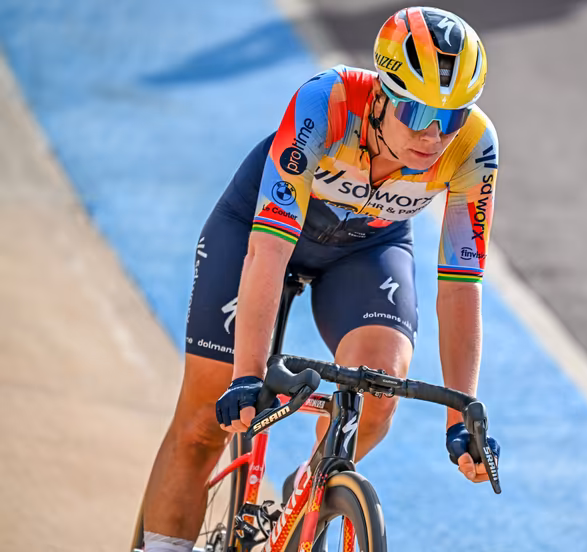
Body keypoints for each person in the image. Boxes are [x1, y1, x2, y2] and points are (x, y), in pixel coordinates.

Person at [141, 6, 501, 551]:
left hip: (367, 247)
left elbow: (460, 283)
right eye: (416, 110)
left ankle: (308, 494)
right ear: (381, 92)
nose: (433, 135)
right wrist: (246, 376)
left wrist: (461, 416)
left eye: (450, 117)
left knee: (379, 388)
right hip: (259, 231)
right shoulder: (325, 104)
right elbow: (266, 252)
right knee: (203, 425)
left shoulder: (475, 146)